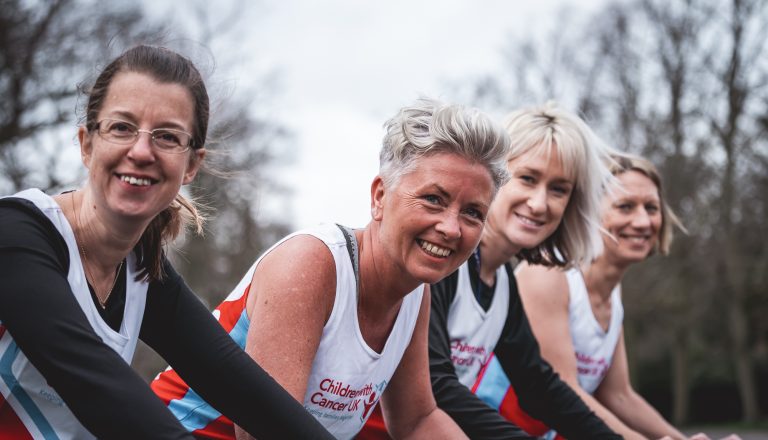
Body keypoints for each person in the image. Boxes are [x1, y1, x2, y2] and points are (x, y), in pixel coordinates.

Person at [0, 45, 333, 440]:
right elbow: (97, 386)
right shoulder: (15, 234)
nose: (141, 152)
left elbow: (247, 392)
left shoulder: (143, 270)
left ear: (192, 164)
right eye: (122, 127)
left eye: (166, 136)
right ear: (86, 144)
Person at [151, 97, 511, 439]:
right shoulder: (312, 264)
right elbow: (264, 431)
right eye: (434, 199)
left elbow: (416, 421)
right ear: (379, 197)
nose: (451, 228)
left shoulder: (417, 293)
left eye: (473, 213)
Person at [360, 102, 622, 439]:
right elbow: (436, 385)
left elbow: (539, 385)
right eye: (527, 179)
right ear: (494, 179)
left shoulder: (501, 282)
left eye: (559, 189)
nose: (539, 203)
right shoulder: (441, 262)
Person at [516, 153, 698, 439]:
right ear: (588, 213)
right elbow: (565, 389)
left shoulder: (613, 294)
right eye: (625, 207)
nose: (642, 222)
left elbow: (619, 396)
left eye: (651, 208)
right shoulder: (547, 272)